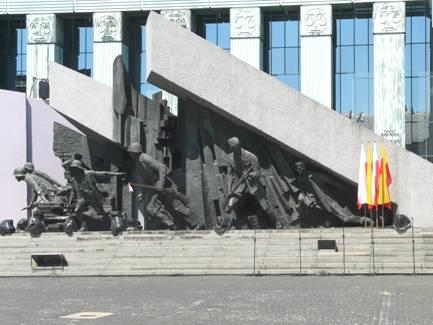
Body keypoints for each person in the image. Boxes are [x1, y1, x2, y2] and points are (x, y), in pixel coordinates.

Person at [127, 142, 201, 230]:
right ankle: (172, 225)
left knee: (177, 206)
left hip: (166, 185)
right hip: (157, 188)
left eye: (130, 152)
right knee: (151, 208)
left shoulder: (145, 158)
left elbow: (162, 167)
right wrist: (142, 193)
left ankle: (197, 223)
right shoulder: (138, 163)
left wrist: (161, 183)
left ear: (135, 152)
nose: (129, 154)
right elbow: (146, 181)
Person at [294, 161, 374, 226]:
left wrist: (344, 190)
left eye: (300, 167)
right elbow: (304, 193)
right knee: (340, 217)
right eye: (298, 168)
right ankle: (361, 220)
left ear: (304, 167)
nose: (299, 169)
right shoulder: (301, 180)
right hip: (319, 204)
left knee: (345, 217)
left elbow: (332, 182)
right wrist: (310, 202)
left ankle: (363, 220)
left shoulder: (316, 175)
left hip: (329, 201)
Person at [224, 137, 269, 228]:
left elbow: (259, 173)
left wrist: (250, 175)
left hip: (252, 184)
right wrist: (229, 189)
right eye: (230, 147)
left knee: (265, 206)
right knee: (230, 205)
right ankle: (227, 225)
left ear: (238, 146)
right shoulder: (229, 158)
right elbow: (229, 175)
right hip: (238, 186)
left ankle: (277, 222)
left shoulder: (251, 156)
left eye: (233, 147)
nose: (231, 149)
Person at [68, 160, 125, 231]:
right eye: (72, 169)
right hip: (82, 198)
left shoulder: (88, 174)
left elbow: (103, 173)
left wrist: (116, 174)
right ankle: (83, 225)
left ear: (79, 168)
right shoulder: (74, 180)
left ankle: (111, 224)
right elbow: (73, 192)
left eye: (74, 168)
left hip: (93, 197)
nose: (73, 170)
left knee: (101, 212)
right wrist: (70, 202)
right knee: (77, 210)